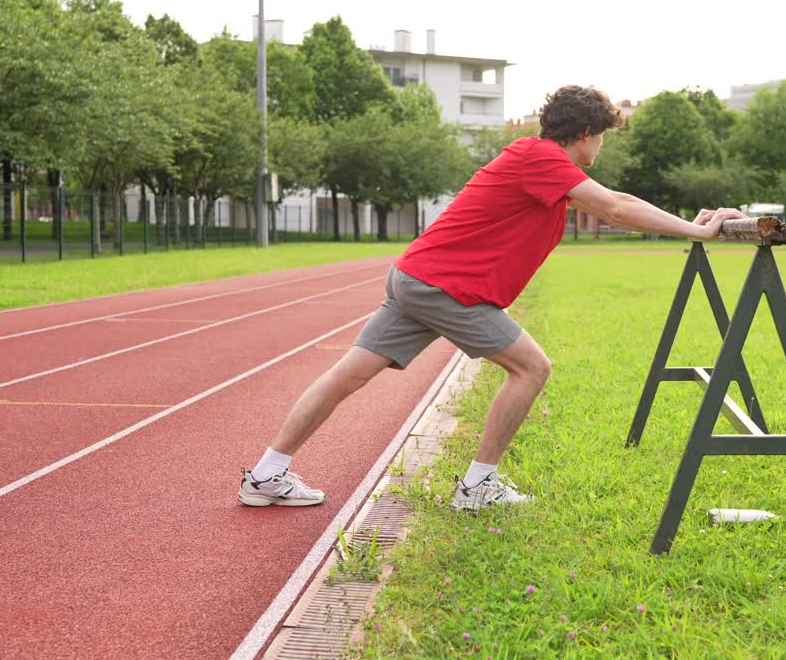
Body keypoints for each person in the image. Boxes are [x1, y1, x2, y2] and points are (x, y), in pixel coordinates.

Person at [237, 85, 747, 511]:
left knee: (346, 376)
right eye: (603, 139)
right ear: (586, 134)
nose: (601, 149)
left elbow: (622, 201)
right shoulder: (541, 157)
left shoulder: (543, 163)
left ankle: (266, 474)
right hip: (446, 287)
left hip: (418, 276)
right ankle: (478, 485)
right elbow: (613, 208)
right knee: (532, 368)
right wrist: (699, 234)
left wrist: (689, 226)